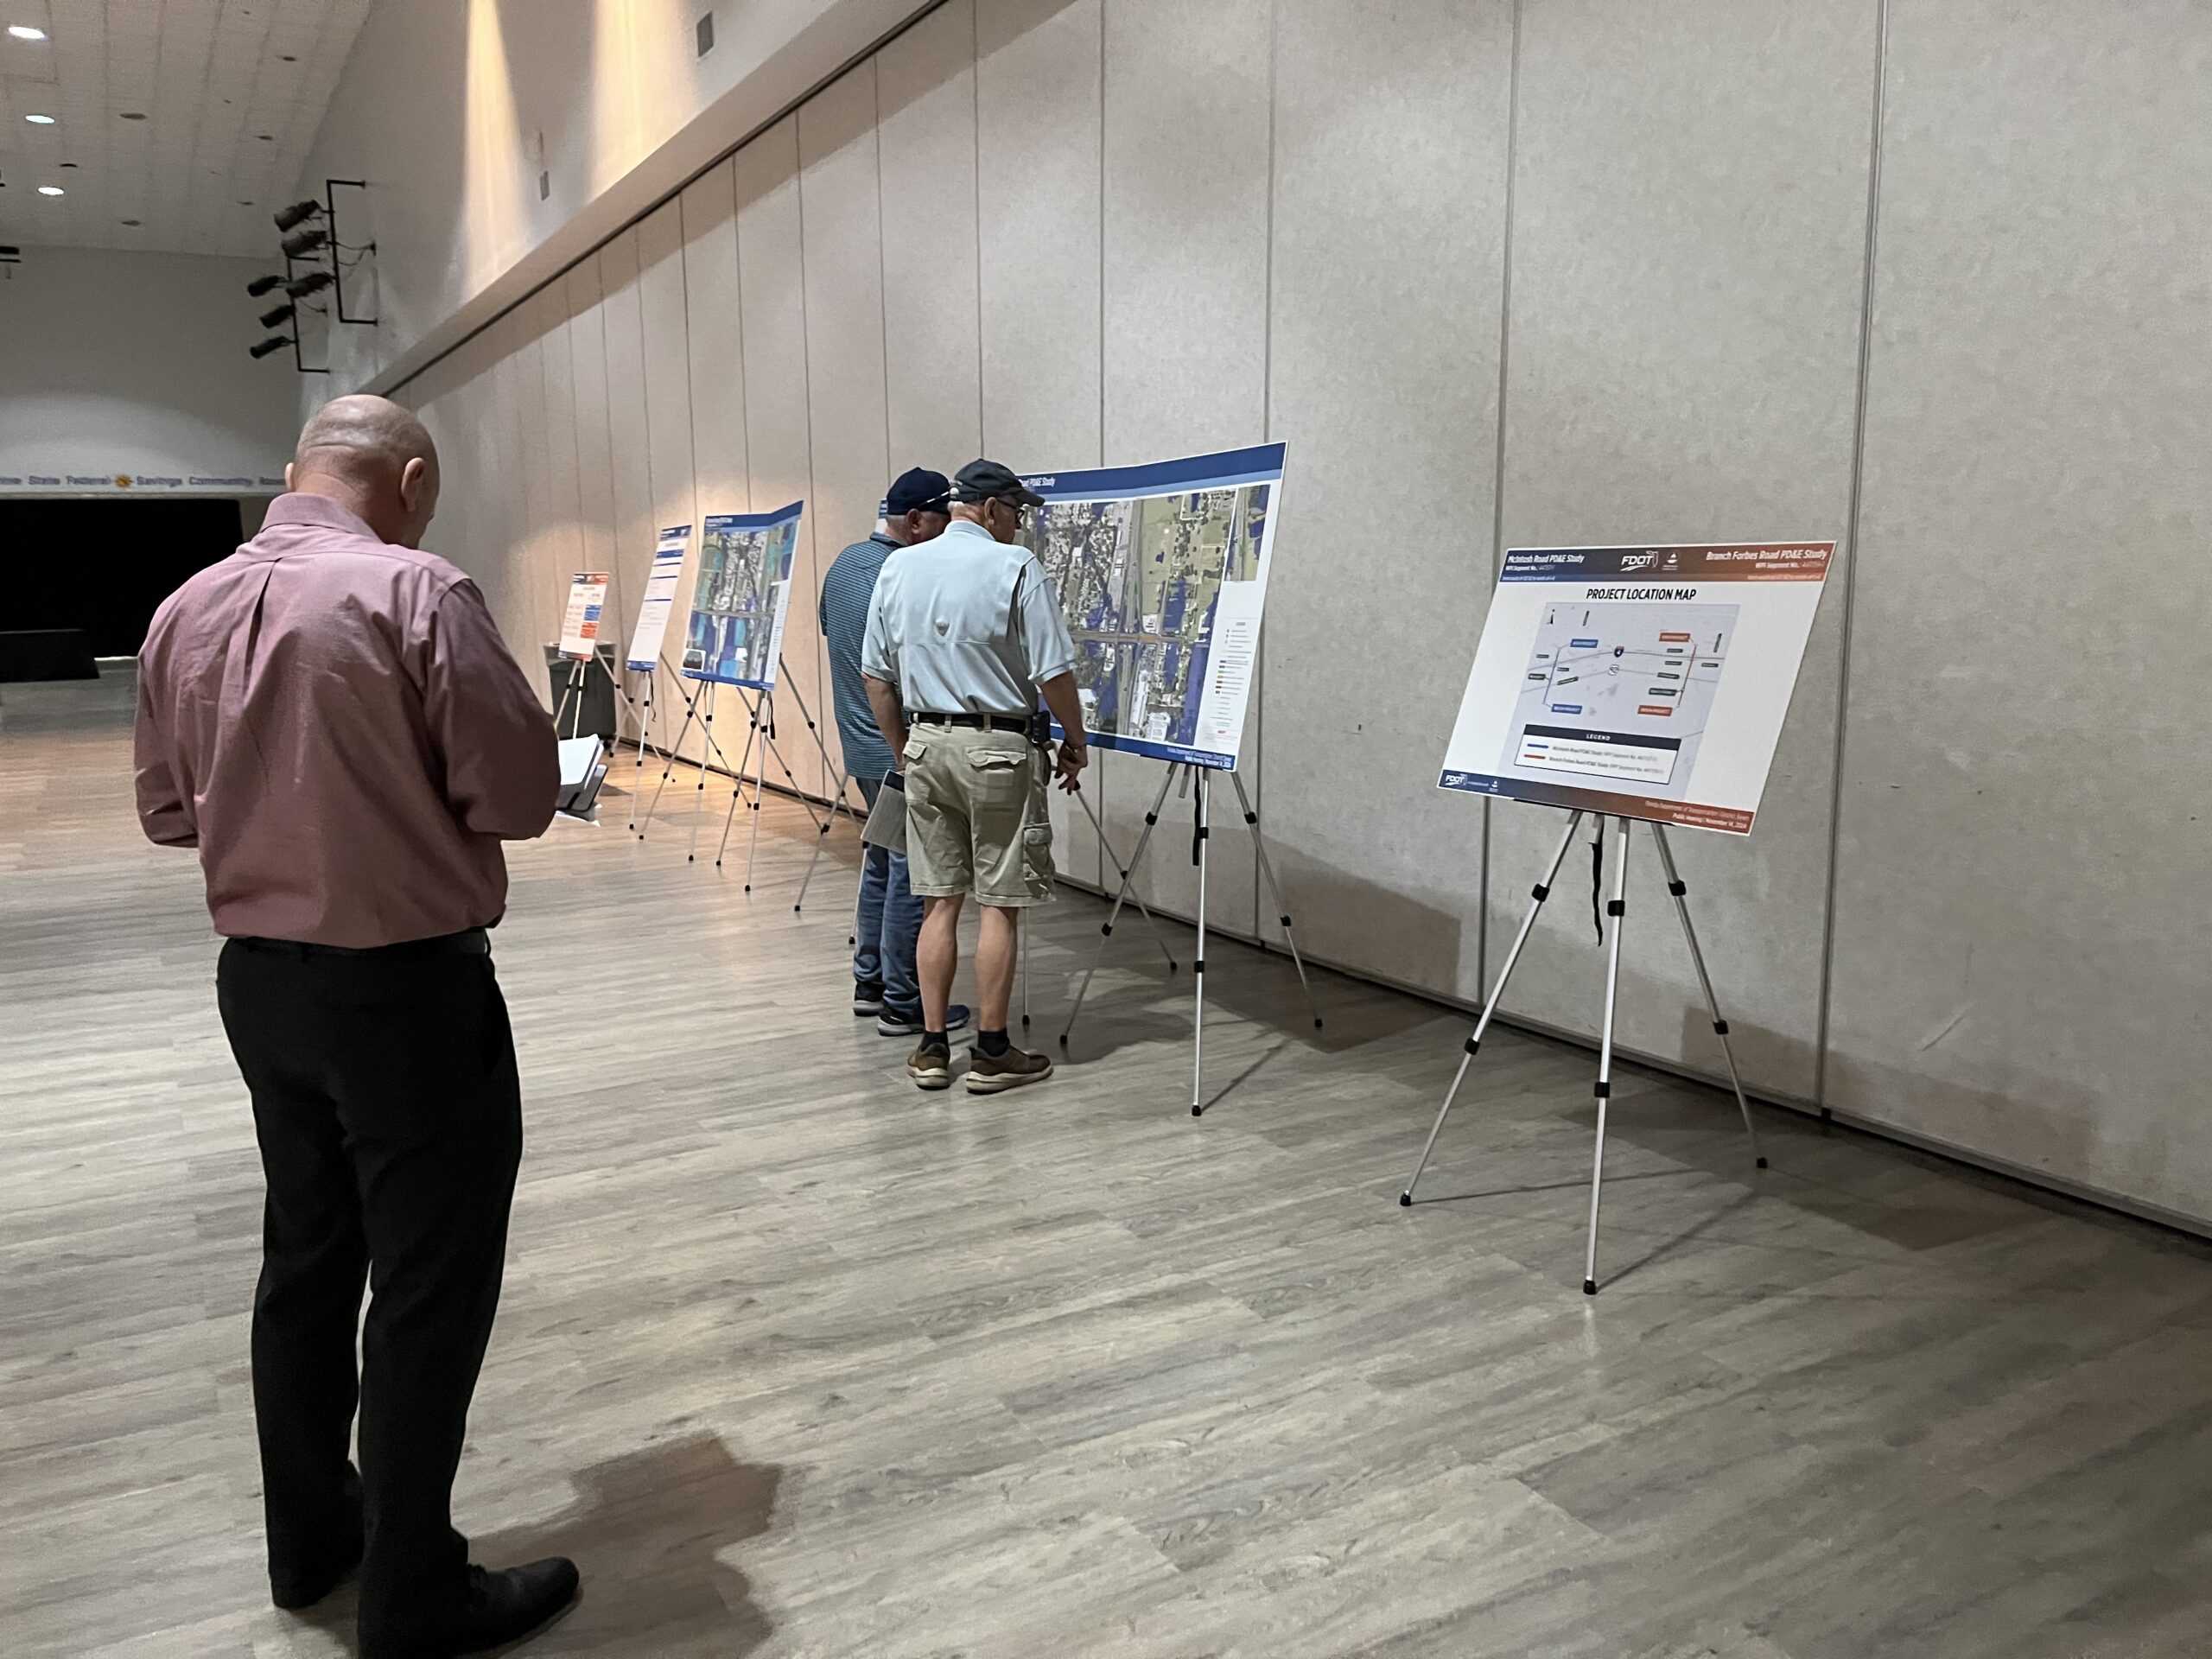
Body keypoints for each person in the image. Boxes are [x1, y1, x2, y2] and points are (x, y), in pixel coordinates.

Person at [133, 395, 581, 1658]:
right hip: (406, 990)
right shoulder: (420, 594)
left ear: (292, 476)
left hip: (261, 987)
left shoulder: (183, 608)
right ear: (416, 478)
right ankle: (416, 1592)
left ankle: (311, 1542)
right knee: (430, 1287)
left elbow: (170, 815)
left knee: (308, 1260)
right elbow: (518, 793)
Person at [861, 458, 1088, 1094]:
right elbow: (1053, 671)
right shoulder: (1014, 567)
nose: (1018, 526)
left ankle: (932, 1049)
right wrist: (1076, 738)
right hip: (998, 748)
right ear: (988, 510)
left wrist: (906, 749)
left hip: (927, 745)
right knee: (1000, 904)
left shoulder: (899, 566)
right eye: (1015, 513)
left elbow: (876, 676)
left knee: (939, 902)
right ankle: (991, 1050)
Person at [818, 467, 969, 1038]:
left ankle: (870, 980)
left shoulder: (842, 565)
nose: (947, 534)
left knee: (881, 859)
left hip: (859, 744)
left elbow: (838, 637)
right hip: (899, 745)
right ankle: (905, 1001)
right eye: (941, 521)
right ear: (915, 520)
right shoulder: (904, 573)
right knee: (912, 872)